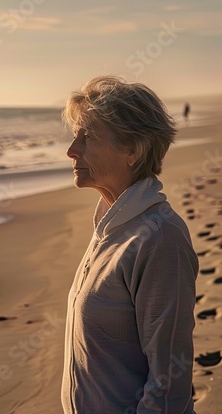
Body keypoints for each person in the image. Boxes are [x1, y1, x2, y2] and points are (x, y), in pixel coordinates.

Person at [61, 76, 198, 413]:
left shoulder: (159, 239)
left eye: (88, 137)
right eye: (75, 135)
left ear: (133, 150)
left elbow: (168, 386)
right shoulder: (110, 228)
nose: (72, 150)